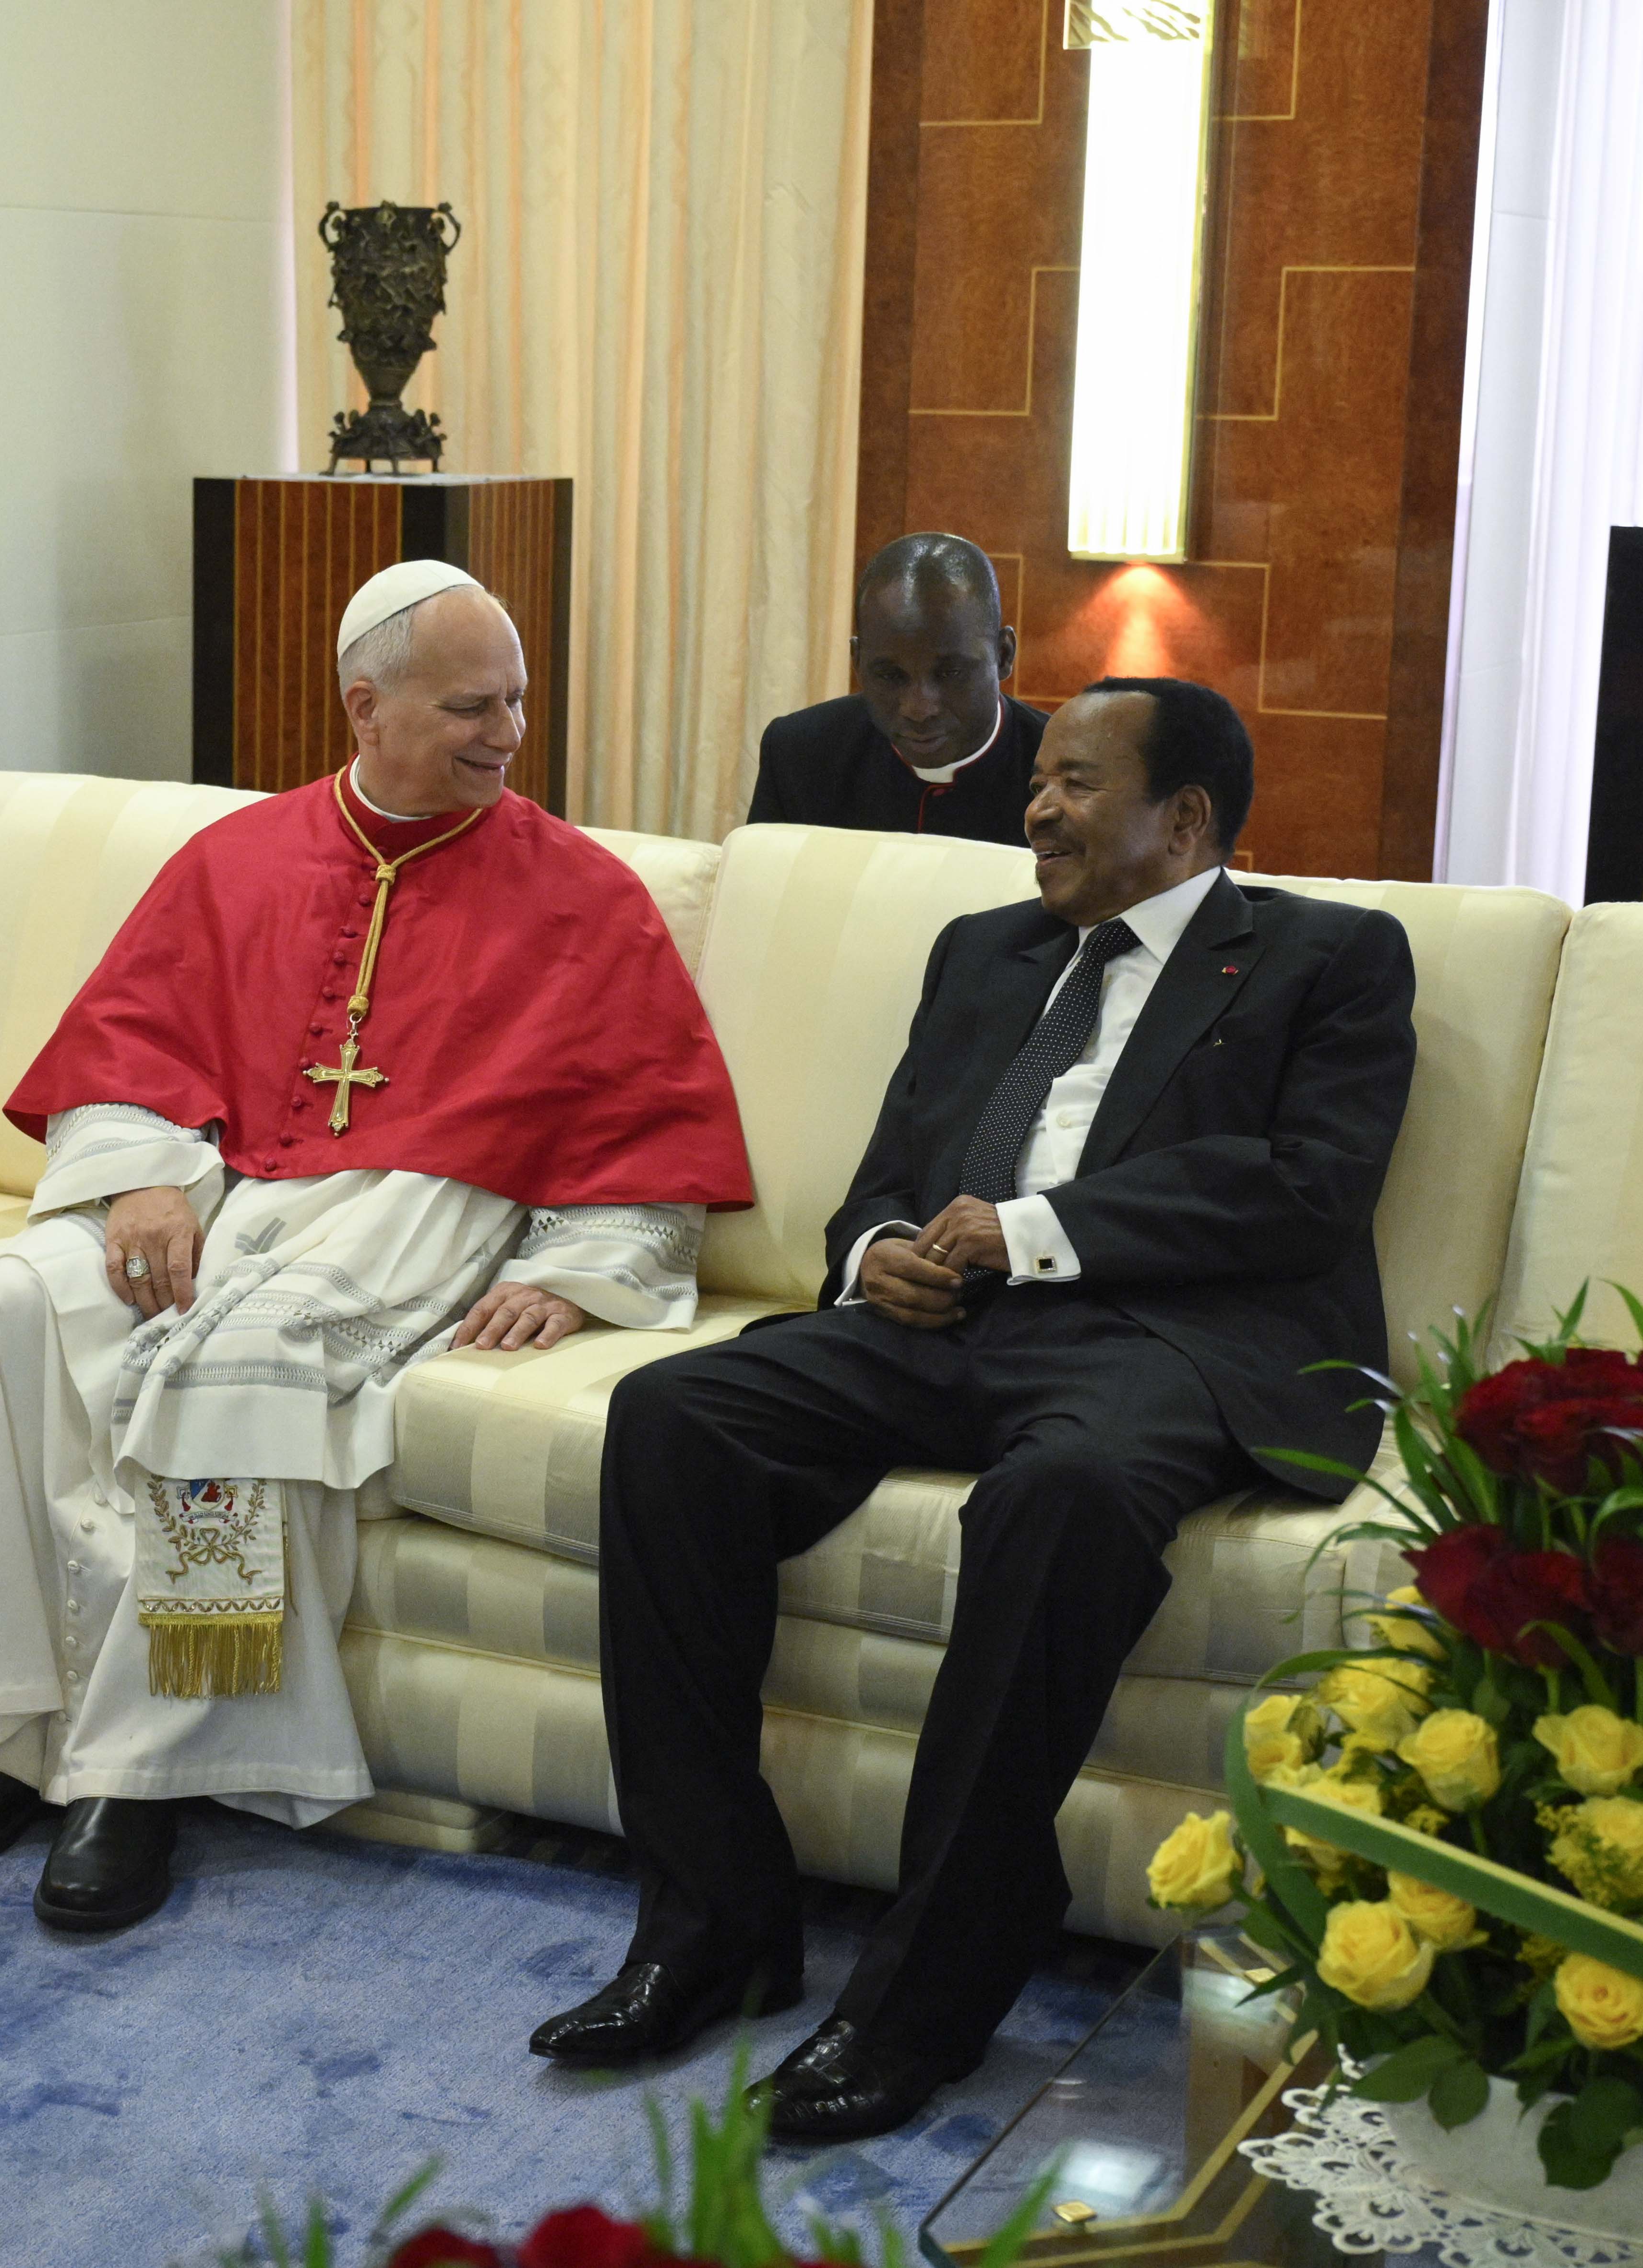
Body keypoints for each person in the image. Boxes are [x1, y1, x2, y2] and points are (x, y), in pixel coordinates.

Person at [540, 676, 1417, 2141]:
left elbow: (1305, 1187)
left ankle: (923, 1997)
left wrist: (1040, 1230)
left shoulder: (1323, 957)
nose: (1035, 807)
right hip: (941, 1326)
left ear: (1183, 818)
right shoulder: (982, 950)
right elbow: (889, 1171)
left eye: (1075, 782)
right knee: (675, 1418)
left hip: (1157, 1339)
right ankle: (711, 1928)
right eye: (1039, 781)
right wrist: (876, 1252)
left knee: (1060, 1496)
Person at [0, 561, 756, 1932]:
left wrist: (568, 1273)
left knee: (246, 1367)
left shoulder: (584, 895)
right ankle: (6, 1725)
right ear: (364, 708)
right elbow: (131, 1041)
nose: (509, 734)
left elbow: (645, 1115)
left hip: (416, 1206)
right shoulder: (238, 857)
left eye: (517, 701)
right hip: (218, 1184)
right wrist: (140, 1179)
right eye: (470, 707)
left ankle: (138, 1776)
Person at [744, 532, 1045, 840]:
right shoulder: (800, 755)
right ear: (858, 661)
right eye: (890, 676)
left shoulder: (1062, 772)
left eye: (951, 673)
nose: (919, 709)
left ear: (1003, 655)